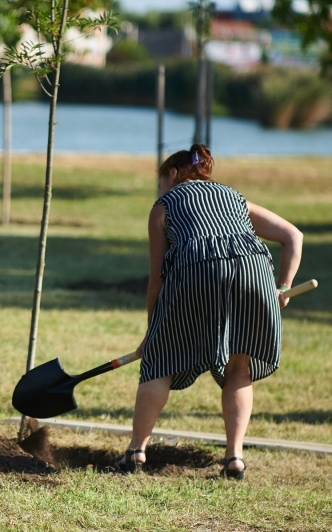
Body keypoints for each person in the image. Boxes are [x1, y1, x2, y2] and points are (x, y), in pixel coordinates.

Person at [114, 144, 303, 480]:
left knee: (160, 360)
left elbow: (157, 276)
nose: (159, 190)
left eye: (160, 183)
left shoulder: (164, 206)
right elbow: (293, 235)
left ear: (172, 174)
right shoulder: (234, 198)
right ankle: (234, 459)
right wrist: (284, 286)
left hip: (195, 271)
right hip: (252, 272)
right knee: (239, 365)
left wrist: (152, 333)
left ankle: (136, 451)